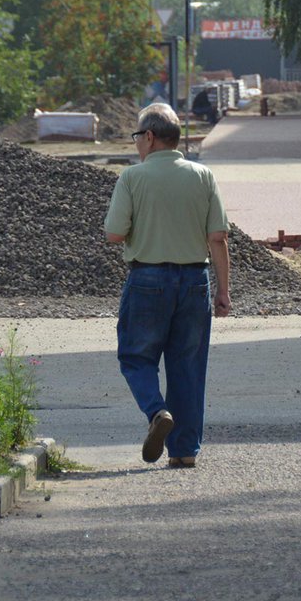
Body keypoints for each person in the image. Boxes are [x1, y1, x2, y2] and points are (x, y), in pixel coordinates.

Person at [104, 102, 231, 468]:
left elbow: (114, 234)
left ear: (149, 137)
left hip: (147, 279)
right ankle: (184, 452)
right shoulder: (202, 176)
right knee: (187, 366)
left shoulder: (133, 177)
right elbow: (218, 237)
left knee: (135, 356)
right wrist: (222, 291)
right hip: (195, 280)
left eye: (137, 137)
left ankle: (157, 412)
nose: (136, 145)